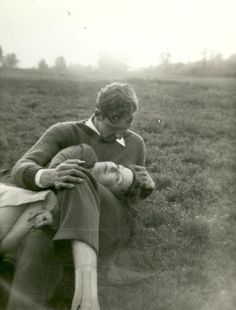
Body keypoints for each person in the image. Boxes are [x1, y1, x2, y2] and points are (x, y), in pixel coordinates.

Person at [6, 82, 155, 310]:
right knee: (38, 240)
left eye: (128, 123)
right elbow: (21, 168)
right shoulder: (64, 131)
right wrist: (48, 176)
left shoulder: (135, 143)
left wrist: (144, 188)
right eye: (113, 124)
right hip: (63, 218)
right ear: (97, 113)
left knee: (80, 177)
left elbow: (130, 201)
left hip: (110, 223)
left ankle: (87, 289)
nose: (120, 133)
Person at [0, 144, 152, 256]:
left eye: (117, 178)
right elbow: (56, 168)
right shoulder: (84, 153)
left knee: (41, 203)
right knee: (44, 201)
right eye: (119, 166)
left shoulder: (86, 204)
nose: (114, 168)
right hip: (15, 188)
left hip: (32, 203)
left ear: (109, 194)